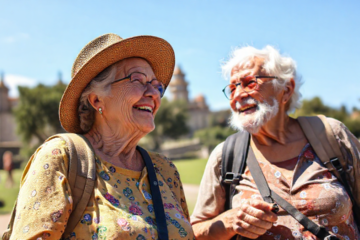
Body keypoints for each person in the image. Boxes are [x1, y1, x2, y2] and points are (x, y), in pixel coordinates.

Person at [9, 34, 194, 239]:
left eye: (157, 85)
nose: (154, 93)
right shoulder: (60, 157)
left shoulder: (165, 170)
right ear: (97, 100)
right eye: (138, 79)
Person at [191, 46, 360, 239]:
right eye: (232, 88)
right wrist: (230, 222)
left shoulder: (331, 135)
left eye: (249, 83)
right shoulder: (226, 156)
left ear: (286, 90)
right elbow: (194, 232)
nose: (237, 95)